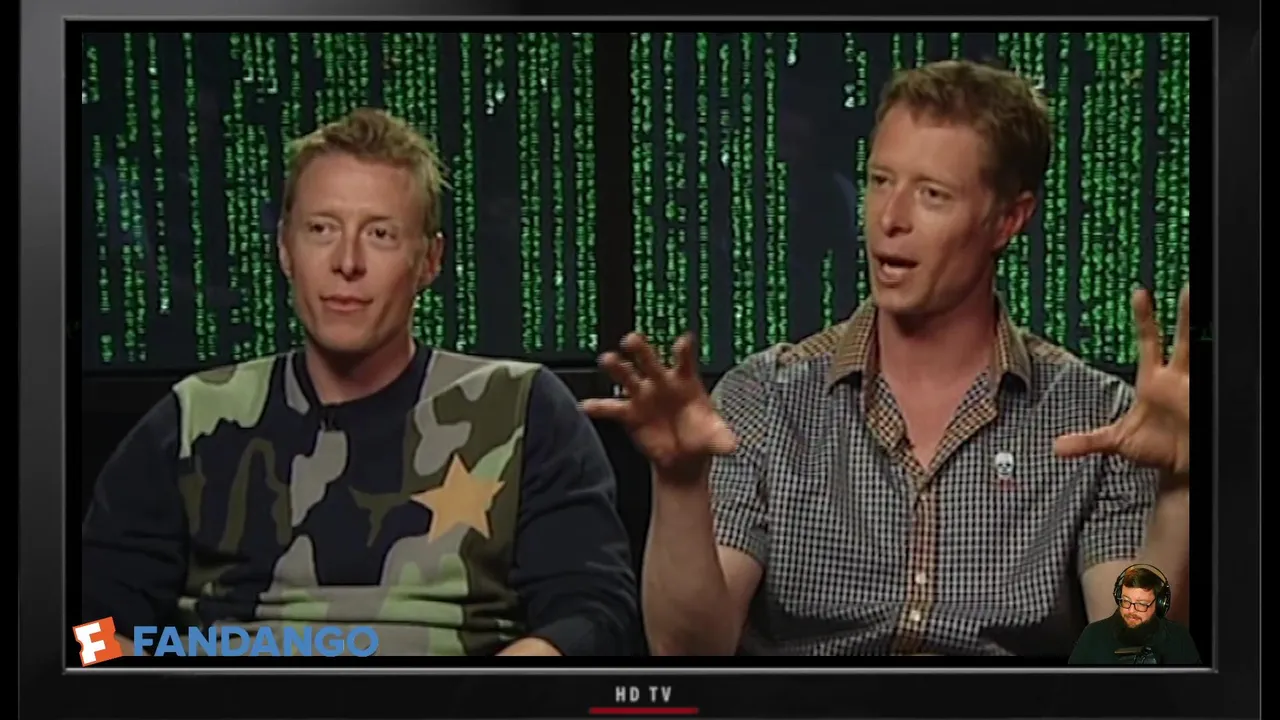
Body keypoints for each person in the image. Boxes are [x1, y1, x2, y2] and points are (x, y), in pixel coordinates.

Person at [584, 60, 1193, 656]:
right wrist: (680, 483)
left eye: (932, 194)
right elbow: (689, 651)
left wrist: (1177, 492)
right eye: (880, 181)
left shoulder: (1094, 417)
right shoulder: (765, 395)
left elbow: (1132, 657)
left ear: (1008, 219)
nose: (889, 218)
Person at [81, 108, 640, 657]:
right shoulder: (191, 418)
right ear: (285, 249)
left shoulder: (522, 410)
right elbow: (86, 627)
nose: (347, 262)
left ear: (429, 260)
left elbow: (596, 615)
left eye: (380, 234)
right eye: (321, 229)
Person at [1067, 565, 1201, 664]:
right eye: (1126, 602)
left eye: (1141, 604)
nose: (1131, 611)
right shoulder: (1093, 635)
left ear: (1160, 604)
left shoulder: (1178, 637)